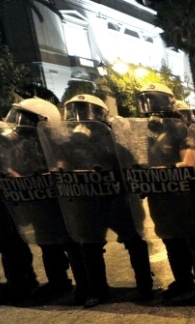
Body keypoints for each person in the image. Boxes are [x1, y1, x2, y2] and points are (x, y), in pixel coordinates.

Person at [55, 93, 154, 306]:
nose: (81, 115)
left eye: (85, 109)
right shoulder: (69, 142)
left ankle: (145, 286)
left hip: (115, 199)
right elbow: (61, 164)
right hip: (88, 200)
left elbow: (127, 163)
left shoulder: (112, 138)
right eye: (77, 110)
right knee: (90, 245)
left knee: (133, 241)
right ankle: (98, 290)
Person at [2, 97, 88, 304]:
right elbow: (14, 166)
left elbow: (63, 167)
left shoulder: (58, 143)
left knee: (72, 244)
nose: (17, 122)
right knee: (47, 244)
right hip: (37, 202)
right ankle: (57, 281)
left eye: (24, 118)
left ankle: (85, 285)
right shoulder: (19, 145)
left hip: (61, 203)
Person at [135, 83, 195, 305]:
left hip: (184, 198)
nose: (149, 105)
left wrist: (160, 172)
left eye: (153, 100)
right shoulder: (151, 131)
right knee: (171, 241)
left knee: (193, 243)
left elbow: (190, 163)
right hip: (161, 197)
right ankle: (183, 282)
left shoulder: (180, 128)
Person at [0, 99, 39, 306]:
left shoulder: (0, 138)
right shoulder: (1, 137)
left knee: (11, 244)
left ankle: (21, 283)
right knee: (9, 243)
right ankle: (22, 282)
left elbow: (10, 166)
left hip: (2, 198)